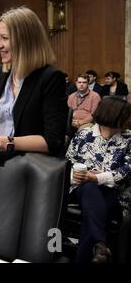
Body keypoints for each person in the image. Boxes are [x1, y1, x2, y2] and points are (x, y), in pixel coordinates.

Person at [0, 7, 67, 162]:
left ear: (26, 40)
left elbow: (53, 141)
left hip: (26, 171)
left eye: (4, 38)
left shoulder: (50, 78)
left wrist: (2, 142)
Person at [66, 97, 131, 263]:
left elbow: (126, 171)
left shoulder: (129, 138)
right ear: (113, 115)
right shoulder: (83, 135)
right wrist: (75, 175)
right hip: (81, 191)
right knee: (89, 188)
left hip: (115, 196)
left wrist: (97, 178)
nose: (129, 120)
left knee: (92, 206)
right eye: (127, 116)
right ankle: (100, 244)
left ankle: (99, 246)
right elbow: (67, 163)